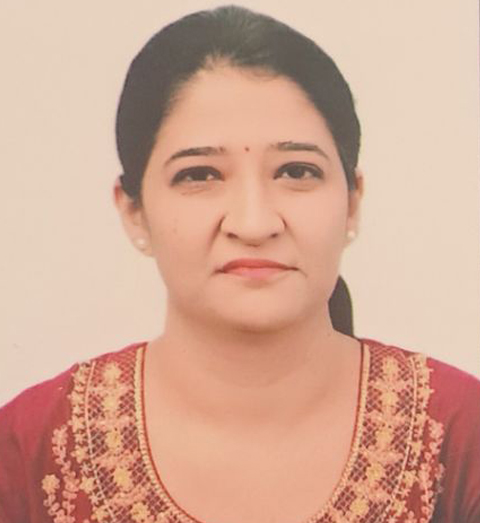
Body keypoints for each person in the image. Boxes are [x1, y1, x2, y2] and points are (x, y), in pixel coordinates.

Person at [0, 5, 479, 523]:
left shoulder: (460, 435)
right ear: (133, 211)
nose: (254, 223)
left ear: (352, 202)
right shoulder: (30, 449)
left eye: (296, 171)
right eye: (199, 175)